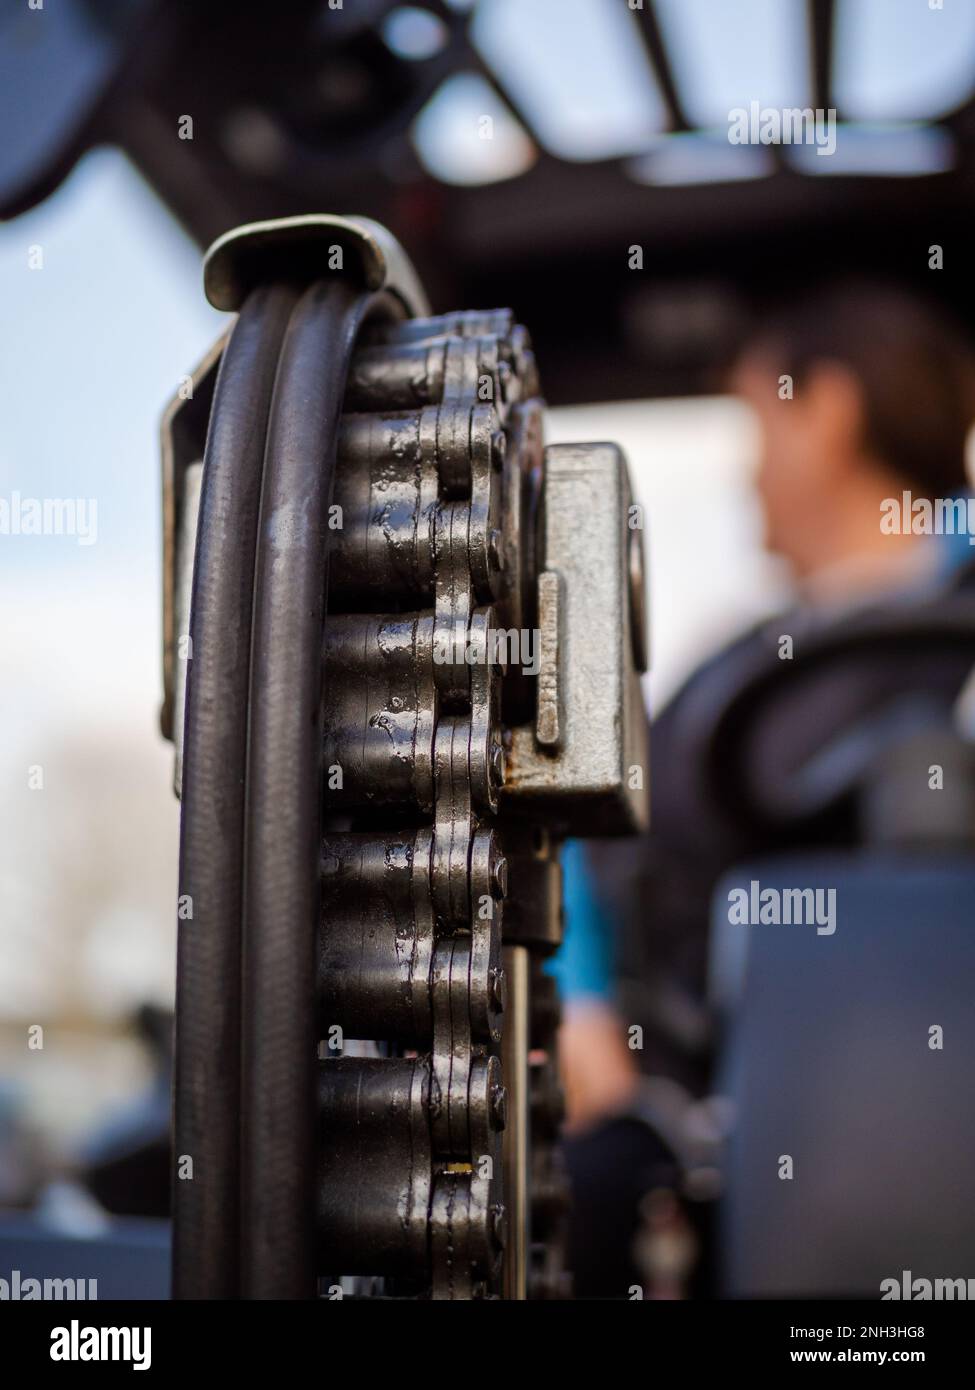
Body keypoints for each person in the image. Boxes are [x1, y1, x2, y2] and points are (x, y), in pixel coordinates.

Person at [558, 280, 975, 1296]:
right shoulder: (729, 671)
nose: (746, 474)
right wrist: (581, 1012)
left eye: (757, 422)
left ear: (826, 413)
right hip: (695, 1114)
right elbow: (590, 841)